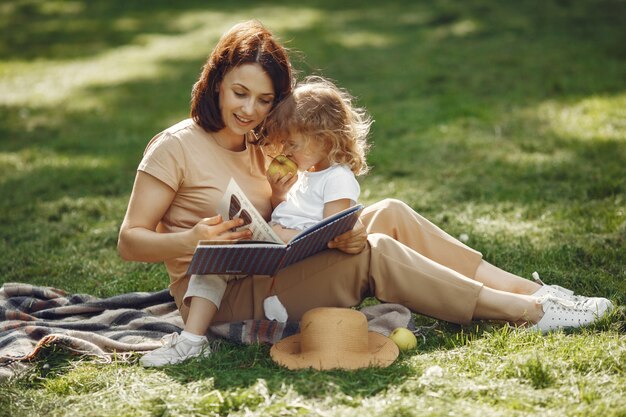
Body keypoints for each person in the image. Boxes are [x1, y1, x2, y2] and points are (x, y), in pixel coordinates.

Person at [118, 20, 614, 368]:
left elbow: (292, 212)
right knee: (378, 254)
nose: (250, 110)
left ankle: (538, 292)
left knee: (389, 214)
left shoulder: (263, 144)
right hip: (221, 296)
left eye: (265, 100)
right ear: (216, 82)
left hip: (273, 268)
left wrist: (329, 226)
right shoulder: (175, 146)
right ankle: (530, 314)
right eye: (239, 93)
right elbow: (130, 241)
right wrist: (191, 240)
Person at [267, 76, 371, 243]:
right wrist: (279, 194)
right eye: (284, 143)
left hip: (305, 254)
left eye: (293, 144)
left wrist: (283, 237)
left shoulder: (337, 178)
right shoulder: (306, 171)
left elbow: (330, 236)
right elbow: (291, 213)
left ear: (324, 140)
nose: (285, 151)